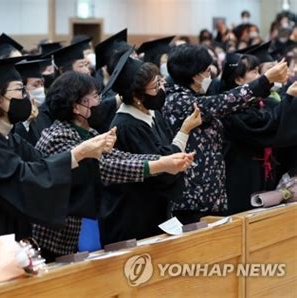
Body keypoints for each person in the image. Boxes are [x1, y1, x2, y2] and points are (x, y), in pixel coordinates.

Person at [0, 57, 114, 268]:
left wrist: (84, 154)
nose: (27, 97)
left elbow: (42, 165)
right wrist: (76, 154)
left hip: (8, 248)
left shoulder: (11, 138)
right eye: (20, 90)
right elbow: (24, 177)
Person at [32, 70, 194, 259]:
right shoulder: (58, 136)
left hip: (70, 233)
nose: (100, 103)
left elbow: (118, 157)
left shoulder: (87, 132)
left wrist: (162, 161)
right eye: (94, 97)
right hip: (48, 236)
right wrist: (159, 165)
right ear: (77, 107)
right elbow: (105, 168)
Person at [162, 44, 289, 223]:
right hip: (191, 198)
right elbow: (225, 102)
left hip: (207, 195)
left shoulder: (192, 95)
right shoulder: (179, 101)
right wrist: (265, 80)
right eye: (206, 71)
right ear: (194, 73)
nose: (210, 76)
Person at [101, 48, 201, 243]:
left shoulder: (152, 113)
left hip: (155, 210)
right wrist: (185, 131)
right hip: (132, 218)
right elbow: (161, 170)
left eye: (160, 82)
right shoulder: (126, 125)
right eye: (156, 86)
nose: (162, 89)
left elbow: (165, 153)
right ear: (138, 96)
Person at [220, 52, 297, 214]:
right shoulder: (230, 109)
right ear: (238, 79)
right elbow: (267, 127)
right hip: (242, 174)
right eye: (254, 71)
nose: (259, 76)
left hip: (265, 174)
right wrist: (289, 97)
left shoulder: (261, 101)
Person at [13, 58, 49, 145]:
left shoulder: (45, 114)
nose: (40, 88)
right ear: (23, 89)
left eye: (42, 84)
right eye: (35, 85)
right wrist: (26, 123)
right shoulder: (15, 120)